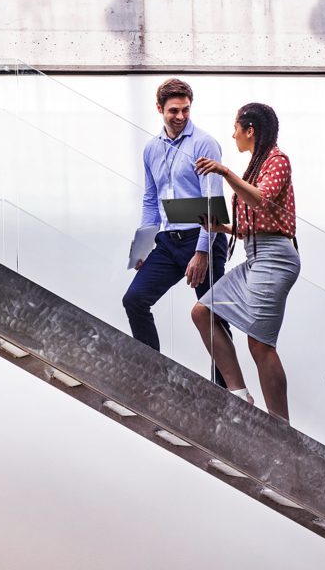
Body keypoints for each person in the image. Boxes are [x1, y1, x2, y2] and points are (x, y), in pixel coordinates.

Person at [190, 102, 299, 420]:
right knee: (202, 312)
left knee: (260, 343)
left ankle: (281, 426)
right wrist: (221, 227)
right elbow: (253, 222)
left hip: (276, 257)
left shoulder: (278, 160)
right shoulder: (258, 163)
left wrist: (225, 171)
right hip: (255, 254)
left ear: (250, 130)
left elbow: (261, 200)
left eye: (236, 127)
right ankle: (238, 393)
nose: (233, 133)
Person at [122, 78, 230, 387]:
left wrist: (202, 251)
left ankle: (225, 392)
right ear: (160, 109)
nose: (180, 116)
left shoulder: (204, 143)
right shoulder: (151, 149)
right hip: (167, 243)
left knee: (214, 318)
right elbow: (150, 198)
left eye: (185, 110)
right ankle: (152, 376)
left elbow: (213, 200)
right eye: (173, 111)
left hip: (203, 239)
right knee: (135, 300)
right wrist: (142, 248)